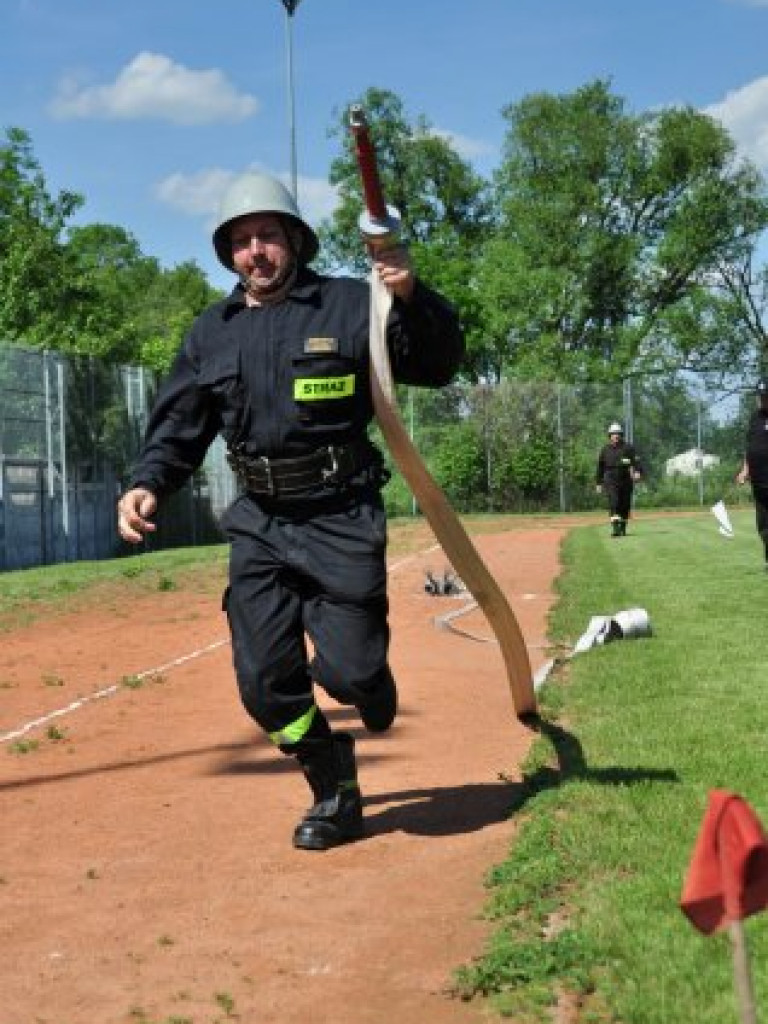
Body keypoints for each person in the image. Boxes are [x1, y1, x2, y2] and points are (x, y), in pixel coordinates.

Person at [117, 172, 465, 851]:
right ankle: (333, 783)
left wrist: (411, 295)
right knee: (265, 686)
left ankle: (368, 676)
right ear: (228, 253)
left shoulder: (349, 305)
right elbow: (180, 426)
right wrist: (149, 481)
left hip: (340, 515)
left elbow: (437, 363)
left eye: (268, 235)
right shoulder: (210, 333)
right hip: (261, 522)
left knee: (349, 672)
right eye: (242, 241)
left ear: (294, 241)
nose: (257, 251)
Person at [736, 378, 768, 569]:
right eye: (760, 396)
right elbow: (750, 448)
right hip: (759, 481)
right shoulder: (754, 418)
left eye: (765, 396)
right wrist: (745, 470)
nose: (762, 400)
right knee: (763, 525)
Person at [595, 422, 643, 537]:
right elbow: (600, 467)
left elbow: (637, 462)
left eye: (617, 434)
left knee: (624, 505)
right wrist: (598, 483)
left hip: (626, 479)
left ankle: (622, 528)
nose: (615, 436)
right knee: (614, 503)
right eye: (613, 434)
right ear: (609, 435)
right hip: (610, 479)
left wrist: (638, 472)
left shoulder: (628, 448)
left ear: (621, 435)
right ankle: (615, 529)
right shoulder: (605, 450)